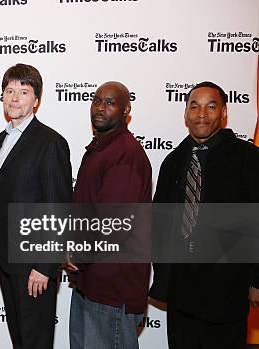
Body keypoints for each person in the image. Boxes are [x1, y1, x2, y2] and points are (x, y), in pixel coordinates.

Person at [149, 81, 259, 349]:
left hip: (228, 288)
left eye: (211, 107)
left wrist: (257, 280)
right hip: (181, 290)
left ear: (223, 112)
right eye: (194, 106)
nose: (201, 114)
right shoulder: (173, 162)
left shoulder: (248, 159)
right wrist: (164, 277)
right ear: (185, 113)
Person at [0, 63, 72, 349]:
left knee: (36, 341)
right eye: (9, 90)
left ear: (37, 99)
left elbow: (57, 207)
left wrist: (45, 266)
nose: (14, 98)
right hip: (7, 259)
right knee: (20, 339)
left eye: (23, 92)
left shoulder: (50, 142)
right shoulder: (0, 140)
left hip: (35, 264)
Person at [67, 81, 152, 349]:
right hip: (90, 281)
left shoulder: (125, 154)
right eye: (96, 101)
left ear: (126, 110)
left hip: (112, 288)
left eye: (110, 103)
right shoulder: (101, 148)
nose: (100, 108)